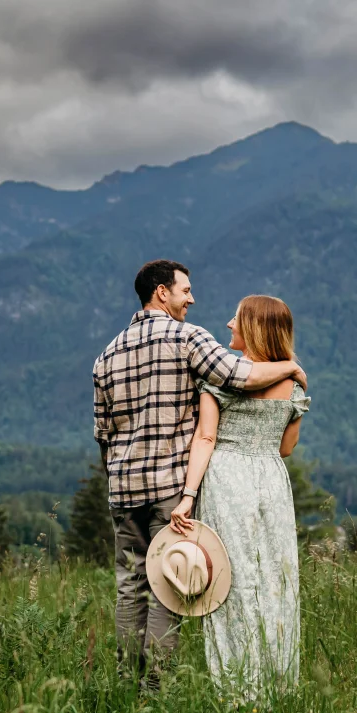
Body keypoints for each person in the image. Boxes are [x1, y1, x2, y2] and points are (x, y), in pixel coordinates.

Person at [93, 261, 306, 691]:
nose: (191, 299)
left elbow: (103, 432)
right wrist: (291, 369)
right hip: (171, 486)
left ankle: (123, 685)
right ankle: (153, 690)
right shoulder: (186, 336)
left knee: (130, 585)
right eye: (185, 290)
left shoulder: (107, 355)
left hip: (124, 487)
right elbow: (238, 375)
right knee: (170, 587)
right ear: (161, 293)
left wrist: (117, 476)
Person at [170, 294, 309, 701]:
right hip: (271, 480)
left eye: (236, 319)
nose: (229, 324)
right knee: (275, 579)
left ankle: (238, 688)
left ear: (253, 328)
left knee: (231, 580)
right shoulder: (293, 383)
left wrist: (187, 495)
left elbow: (206, 437)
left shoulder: (223, 380)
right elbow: (286, 448)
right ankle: (277, 685)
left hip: (228, 478)